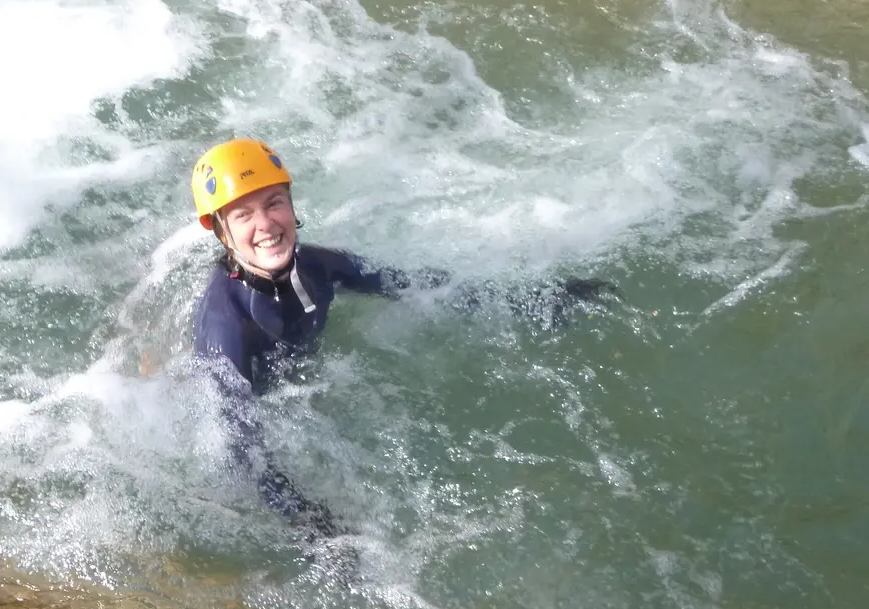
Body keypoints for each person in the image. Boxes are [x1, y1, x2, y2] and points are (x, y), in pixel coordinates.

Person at [190, 137, 612, 538]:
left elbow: (414, 284)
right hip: (262, 402)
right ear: (221, 232)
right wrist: (311, 525)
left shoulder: (317, 265)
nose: (266, 224)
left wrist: (530, 299)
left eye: (274, 203)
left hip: (300, 380)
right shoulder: (226, 327)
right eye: (243, 215)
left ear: (292, 204)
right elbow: (239, 450)